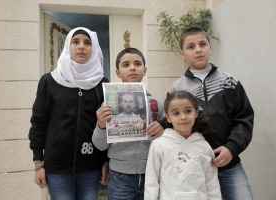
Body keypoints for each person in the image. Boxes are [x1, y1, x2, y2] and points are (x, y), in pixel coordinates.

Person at [160, 27, 254, 200]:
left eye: (202, 44)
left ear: (210, 48)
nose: (198, 49)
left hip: (229, 166)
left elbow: (244, 118)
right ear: (183, 54)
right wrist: (159, 125)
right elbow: (171, 123)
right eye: (191, 46)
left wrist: (231, 148)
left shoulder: (229, 82)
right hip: (193, 169)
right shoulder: (176, 89)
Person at [28, 27, 109, 200]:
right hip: (58, 167)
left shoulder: (102, 84)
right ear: (68, 46)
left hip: (91, 166)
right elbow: (38, 123)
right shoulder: (49, 81)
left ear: (94, 48)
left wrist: (105, 161)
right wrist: (38, 163)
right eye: (75, 42)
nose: (81, 46)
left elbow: (106, 126)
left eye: (87, 43)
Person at [92, 47, 165, 200]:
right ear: (117, 72)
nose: (132, 67)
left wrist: (162, 133)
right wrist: (101, 125)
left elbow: (168, 141)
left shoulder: (156, 104)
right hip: (120, 175)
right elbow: (100, 145)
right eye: (126, 65)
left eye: (137, 64)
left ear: (145, 70)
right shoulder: (108, 106)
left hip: (152, 172)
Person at [145, 90, 222, 200]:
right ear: (168, 117)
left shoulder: (204, 146)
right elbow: (151, 182)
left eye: (188, 111)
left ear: (196, 113)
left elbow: (212, 184)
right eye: (176, 113)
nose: (183, 117)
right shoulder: (159, 145)